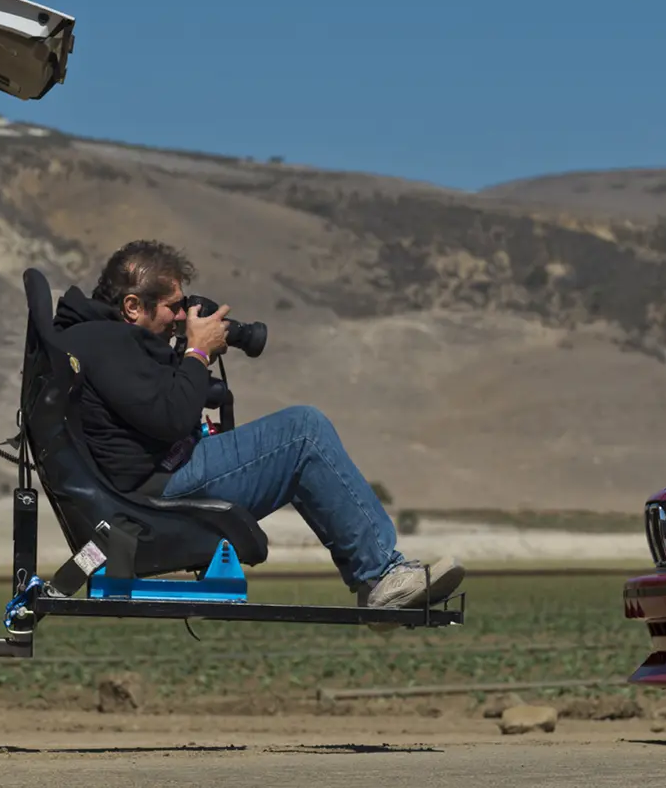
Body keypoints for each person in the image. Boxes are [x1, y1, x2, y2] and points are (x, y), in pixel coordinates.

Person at [51, 239, 464, 611]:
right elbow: (170, 416)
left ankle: (374, 575)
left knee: (300, 431)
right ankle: (380, 576)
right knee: (304, 431)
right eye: (173, 306)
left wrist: (189, 357)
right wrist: (196, 351)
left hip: (157, 475)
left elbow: (153, 404)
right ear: (132, 307)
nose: (180, 315)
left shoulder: (99, 339)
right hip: (155, 490)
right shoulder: (107, 342)